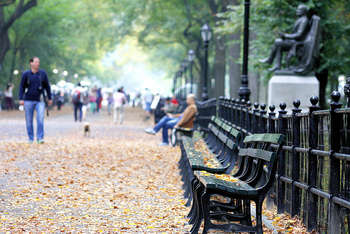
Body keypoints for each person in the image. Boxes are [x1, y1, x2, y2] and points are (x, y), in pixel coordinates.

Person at [259, 4, 310, 72]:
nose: (297, 11)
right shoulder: (300, 19)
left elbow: (299, 35)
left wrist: (286, 36)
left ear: (304, 11)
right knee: (278, 43)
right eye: (297, 9)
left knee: (278, 42)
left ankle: (270, 60)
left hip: (299, 43)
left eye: (299, 10)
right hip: (295, 41)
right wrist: (284, 36)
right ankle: (277, 65)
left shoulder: (304, 20)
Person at [19, 57, 52, 144]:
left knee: (40, 118)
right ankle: (30, 138)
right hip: (28, 100)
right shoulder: (26, 74)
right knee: (29, 120)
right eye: (36, 62)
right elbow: (21, 86)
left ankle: (40, 137)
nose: (38, 63)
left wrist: (50, 97)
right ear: (31, 63)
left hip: (40, 100)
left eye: (38, 62)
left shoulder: (42, 74)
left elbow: (47, 86)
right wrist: (21, 98)